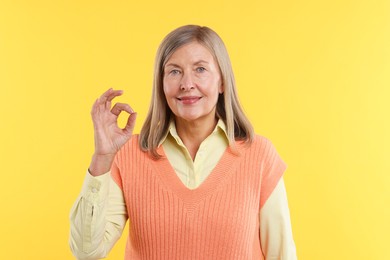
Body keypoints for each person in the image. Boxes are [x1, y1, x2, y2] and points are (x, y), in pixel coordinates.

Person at [69, 25, 297, 260]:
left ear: (221, 82)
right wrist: (102, 158)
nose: (187, 83)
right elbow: (86, 253)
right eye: (174, 71)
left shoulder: (259, 156)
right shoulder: (128, 155)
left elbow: (281, 255)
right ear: (162, 83)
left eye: (200, 69)